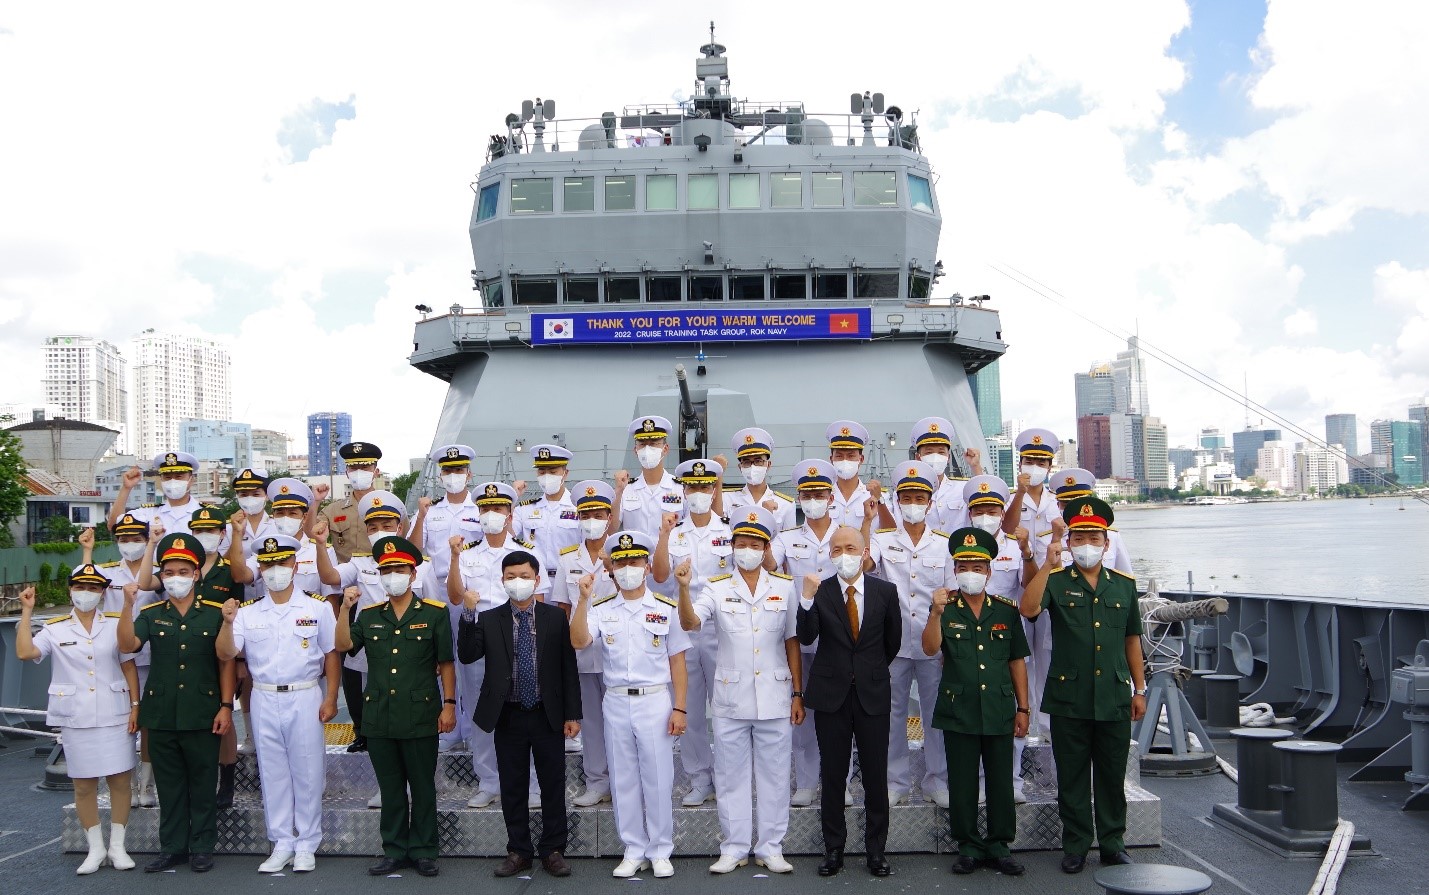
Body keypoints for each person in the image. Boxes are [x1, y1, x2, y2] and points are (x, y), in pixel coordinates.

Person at [1019, 497, 1148, 874]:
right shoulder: (1057, 581)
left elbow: (1132, 640)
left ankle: (1112, 843)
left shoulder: (1123, 585)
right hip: (1069, 698)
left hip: (1114, 695)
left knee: (1111, 776)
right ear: (1069, 542)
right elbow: (1028, 609)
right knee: (1072, 777)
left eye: (1094, 538)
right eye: (1079, 538)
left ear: (1107, 544)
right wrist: (1048, 563)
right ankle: (1075, 845)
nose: (1086, 545)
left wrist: (1140, 689)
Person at [675, 505, 802, 874]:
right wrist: (683, 589)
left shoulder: (785, 587)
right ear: (732, 547)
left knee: (775, 776)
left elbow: (792, 641)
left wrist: (798, 693)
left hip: (775, 696)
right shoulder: (715, 588)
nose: (747, 550)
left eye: (754, 544)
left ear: (766, 549)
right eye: (741, 543)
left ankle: (771, 847)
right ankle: (733, 847)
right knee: (731, 776)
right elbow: (691, 622)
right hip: (731, 698)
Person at [569, 530, 691, 879]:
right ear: (611, 570)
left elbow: (678, 662)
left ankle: (660, 849)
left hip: (654, 700)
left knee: (658, 777)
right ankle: (633, 849)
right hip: (616, 700)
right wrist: (582, 600)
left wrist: (680, 708)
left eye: (635, 561)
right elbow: (579, 641)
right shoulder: (600, 607)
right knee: (623, 778)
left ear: (648, 567)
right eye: (621, 563)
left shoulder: (665, 608)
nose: (627, 569)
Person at [217, 534, 340, 874]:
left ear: (295, 565)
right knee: (273, 772)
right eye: (268, 564)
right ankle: (282, 842)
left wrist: (331, 697)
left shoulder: (317, 607)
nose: (275, 570)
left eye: (282, 562)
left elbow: (331, 654)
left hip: (305, 694)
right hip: (264, 696)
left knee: (308, 771)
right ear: (260, 568)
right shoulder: (247, 612)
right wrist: (227, 623)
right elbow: (226, 653)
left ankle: (307, 843)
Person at [335, 536, 458, 878]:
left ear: (413, 574)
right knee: (390, 789)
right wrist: (344, 609)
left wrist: (449, 705)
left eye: (400, 570)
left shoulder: (433, 613)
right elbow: (344, 645)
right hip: (379, 715)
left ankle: (424, 850)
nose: (393, 577)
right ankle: (394, 849)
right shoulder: (369, 614)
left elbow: (446, 663)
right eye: (386, 571)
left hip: (420, 713)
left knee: (422, 787)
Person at [457, 550, 581, 878]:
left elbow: (568, 668)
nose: (518, 582)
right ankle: (518, 851)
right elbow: (467, 655)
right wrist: (468, 613)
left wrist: (573, 714)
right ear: (502, 580)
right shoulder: (489, 619)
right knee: (513, 786)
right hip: (508, 715)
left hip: (547, 713)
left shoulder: (555, 618)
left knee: (552, 784)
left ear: (537, 580)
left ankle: (553, 850)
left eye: (524, 576)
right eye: (511, 577)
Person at [117, 534, 235, 874]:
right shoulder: (151, 614)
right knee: (169, 785)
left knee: (203, 783)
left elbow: (226, 663)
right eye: (168, 573)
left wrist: (226, 705)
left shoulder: (214, 614)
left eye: (183, 572)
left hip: (202, 711)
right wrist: (126, 606)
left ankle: (202, 846)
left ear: (196, 574)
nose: (175, 578)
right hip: (162, 712)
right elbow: (128, 644)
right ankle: (172, 847)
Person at [15, 571, 139, 875]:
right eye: (81, 587)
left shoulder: (114, 623)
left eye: (93, 588)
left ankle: (118, 847)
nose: (86, 593)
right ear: (71, 590)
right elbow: (25, 652)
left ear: (102, 593)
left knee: (120, 781)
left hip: (114, 713)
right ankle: (95, 849)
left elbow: (128, 665)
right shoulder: (54, 628)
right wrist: (27, 611)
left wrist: (136, 706)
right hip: (76, 716)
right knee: (84, 785)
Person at [923, 527, 1030, 876]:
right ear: (955, 569)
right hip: (960, 708)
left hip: (999, 707)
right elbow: (930, 648)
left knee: (1000, 781)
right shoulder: (945, 608)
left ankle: (999, 845)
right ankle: (968, 845)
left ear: (989, 571)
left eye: (978, 567)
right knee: (962, 781)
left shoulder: (1006, 611)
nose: (971, 572)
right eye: (964, 566)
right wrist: (935, 613)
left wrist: (1024, 708)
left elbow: (1017, 661)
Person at [796, 526, 901, 878]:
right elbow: (807, 637)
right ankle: (834, 850)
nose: (845, 555)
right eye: (837, 549)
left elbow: (892, 641)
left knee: (875, 775)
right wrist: (806, 600)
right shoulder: (821, 591)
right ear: (829, 554)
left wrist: (867, 671)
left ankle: (876, 851)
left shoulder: (885, 591)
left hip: (872, 693)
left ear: (864, 551)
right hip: (831, 696)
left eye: (851, 548)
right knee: (833, 774)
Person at [446, 480, 544, 808]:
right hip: (479, 640)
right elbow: (455, 596)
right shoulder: (467, 554)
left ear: (510, 514)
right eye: (486, 508)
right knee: (481, 714)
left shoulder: (528, 552)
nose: (491, 513)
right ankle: (489, 782)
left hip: (518, 639)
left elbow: (539, 601)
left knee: (525, 712)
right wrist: (454, 558)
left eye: (498, 508)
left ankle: (530, 783)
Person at [138, 507, 243, 810]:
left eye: (210, 530)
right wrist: (151, 544)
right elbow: (145, 583)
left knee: (225, 714)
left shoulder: (229, 569)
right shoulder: (177, 566)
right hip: (186, 645)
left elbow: (240, 607)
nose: (205, 535)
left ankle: (227, 780)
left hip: (222, 645)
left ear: (221, 534)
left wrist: (239, 660)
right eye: (199, 530)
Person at [652, 457, 742, 807]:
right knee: (688, 704)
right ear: (684, 492)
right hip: (684, 626)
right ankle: (699, 777)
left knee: (726, 705)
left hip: (721, 627)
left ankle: (728, 777)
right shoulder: (674, 533)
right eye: (693, 487)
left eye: (705, 486)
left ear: (714, 490)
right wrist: (663, 535)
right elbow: (660, 576)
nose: (699, 492)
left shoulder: (729, 530)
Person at [872, 460, 949, 808]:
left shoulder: (944, 545)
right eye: (907, 498)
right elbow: (865, 565)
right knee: (891, 715)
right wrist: (867, 519)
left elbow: (951, 593)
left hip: (933, 645)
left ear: (930, 503)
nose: (913, 504)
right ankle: (895, 780)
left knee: (935, 715)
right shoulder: (881, 540)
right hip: (893, 644)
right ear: (897, 501)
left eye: (920, 498)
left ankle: (938, 779)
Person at [312, 489, 409, 759]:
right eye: (373, 527)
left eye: (387, 526)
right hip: (371, 648)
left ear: (399, 528)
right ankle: (365, 736)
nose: (380, 532)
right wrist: (320, 545)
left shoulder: (417, 565)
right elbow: (330, 577)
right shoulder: (359, 562)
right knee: (368, 699)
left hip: (407, 648)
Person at [771, 459, 844, 808]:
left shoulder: (845, 535)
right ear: (799, 498)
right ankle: (806, 782)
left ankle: (839, 782)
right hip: (800, 633)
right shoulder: (786, 538)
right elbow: (768, 563)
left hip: (836, 635)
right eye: (807, 495)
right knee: (801, 708)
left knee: (839, 713)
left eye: (819, 494)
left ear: (831, 497)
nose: (813, 500)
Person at [963, 475, 1038, 803]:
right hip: (968, 641)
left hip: (1006, 640)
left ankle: (1012, 779)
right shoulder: (959, 546)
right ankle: (977, 780)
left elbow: (1030, 586)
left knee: (1013, 710)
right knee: (972, 711)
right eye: (979, 511)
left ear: (1002, 512)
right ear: (970, 514)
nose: (986, 516)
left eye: (992, 510)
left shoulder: (1014, 546)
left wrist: (1027, 552)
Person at [547, 480, 617, 807]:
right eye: (585, 515)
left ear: (609, 517)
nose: (592, 521)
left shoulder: (622, 555)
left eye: (598, 514)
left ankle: (623, 782)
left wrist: (611, 565)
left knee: (620, 723)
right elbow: (562, 608)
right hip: (582, 653)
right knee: (591, 722)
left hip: (617, 651)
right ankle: (597, 782)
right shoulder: (567, 559)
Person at [411, 443, 479, 755]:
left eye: (459, 470)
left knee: (471, 660)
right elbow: (414, 549)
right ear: (441, 476)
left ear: (469, 474)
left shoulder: (480, 509)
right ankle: (449, 727)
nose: (454, 475)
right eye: (448, 471)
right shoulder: (431, 511)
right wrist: (421, 517)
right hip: (436, 588)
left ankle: (474, 729)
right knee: (441, 657)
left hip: (469, 589)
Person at [87, 517, 161, 807]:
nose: (130, 544)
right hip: (117, 658)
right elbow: (86, 586)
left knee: (149, 723)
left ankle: (146, 785)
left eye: (136, 539)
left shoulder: (157, 573)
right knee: (123, 722)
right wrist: (87, 551)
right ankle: (127, 784)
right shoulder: (108, 572)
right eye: (123, 539)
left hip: (152, 655)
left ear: (145, 540)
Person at [512, 443, 582, 591]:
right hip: (534, 582)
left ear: (565, 473)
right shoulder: (525, 509)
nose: (546, 476)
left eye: (553, 471)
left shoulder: (579, 508)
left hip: (569, 580)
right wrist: (512, 499)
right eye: (542, 472)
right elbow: (508, 535)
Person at [1046, 468, 1134, 574]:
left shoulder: (1112, 536)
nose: (1074, 509)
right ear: (1058, 505)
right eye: (1066, 504)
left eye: (1079, 503)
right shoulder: (1048, 539)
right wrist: (1056, 540)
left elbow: (1125, 575)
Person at [610, 416, 683, 538]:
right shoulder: (626, 489)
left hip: (669, 550)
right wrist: (618, 492)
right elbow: (612, 529)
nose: (647, 449)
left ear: (665, 449)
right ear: (635, 450)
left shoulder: (680, 488)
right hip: (635, 550)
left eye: (653, 444)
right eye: (642, 444)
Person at [318, 441, 387, 562]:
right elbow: (311, 533)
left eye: (365, 467)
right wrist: (315, 501)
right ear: (347, 473)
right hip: (344, 572)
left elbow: (407, 539)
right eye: (353, 468)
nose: (359, 472)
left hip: (380, 570)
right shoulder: (333, 510)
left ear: (376, 472)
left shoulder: (390, 505)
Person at [106, 451, 203, 535]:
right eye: (167, 477)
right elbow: (114, 525)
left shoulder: (205, 513)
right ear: (161, 479)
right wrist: (126, 488)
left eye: (179, 477)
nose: (173, 481)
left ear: (191, 480)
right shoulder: (149, 513)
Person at [1003, 428, 1061, 563]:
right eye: (1029, 463)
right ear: (1020, 465)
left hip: (1049, 566)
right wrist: (1020, 493)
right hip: (1018, 566)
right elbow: (1007, 529)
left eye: (1041, 464)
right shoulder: (1008, 499)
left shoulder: (1057, 501)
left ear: (1049, 469)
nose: (1035, 468)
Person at [723, 427, 795, 531]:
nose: (753, 467)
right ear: (740, 467)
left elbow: (789, 539)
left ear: (768, 465)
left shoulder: (786, 504)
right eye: (746, 462)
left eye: (758, 461)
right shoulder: (726, 499)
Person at [824, 420, 883, 530]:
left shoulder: (874, 495)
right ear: (831, 459)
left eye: (851, 456)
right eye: (839, 456)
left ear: (861, 459)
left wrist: (880, 501)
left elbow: (890, 530)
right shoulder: (822, 496)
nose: (845, 460)